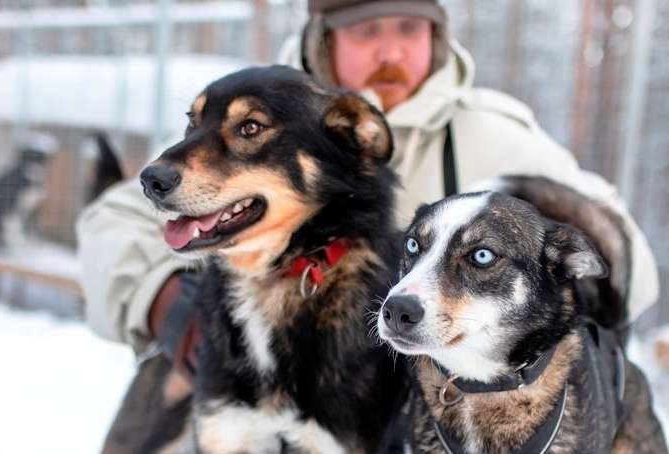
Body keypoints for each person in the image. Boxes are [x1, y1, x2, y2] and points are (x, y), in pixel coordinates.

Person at [77, 0, 659, 384]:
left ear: (436, 36)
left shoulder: (490, 134)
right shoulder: (258, 110)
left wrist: (548, 260)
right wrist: (161, 299)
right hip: (247, 354)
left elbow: (617, 251)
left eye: (409, 29)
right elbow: (116, 219)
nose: (390, 53)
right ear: (324, 39)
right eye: (366, 31)